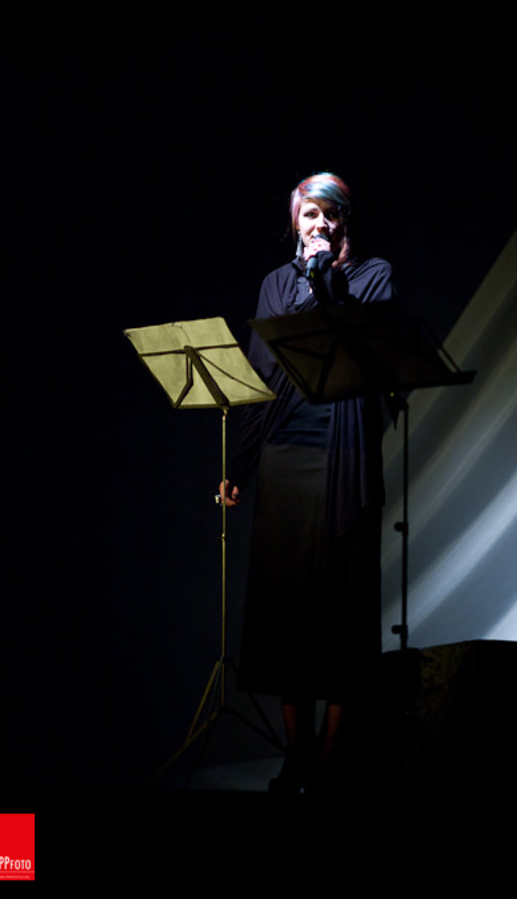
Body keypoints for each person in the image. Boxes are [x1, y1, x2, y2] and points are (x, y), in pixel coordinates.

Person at [219, 172, 397, 794]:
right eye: (309, 215)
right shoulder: (275, 283)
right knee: (286, 605)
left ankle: (330, 762)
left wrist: (324, 278)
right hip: (285, 451)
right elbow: (261, 374)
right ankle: (296, 755)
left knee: (340, 607)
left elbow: (363, 348)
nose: (319, 225)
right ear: (295, 222)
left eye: (330, 215)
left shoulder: (371, 274)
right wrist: (239, 467)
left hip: (342, 452)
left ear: (344, 220)